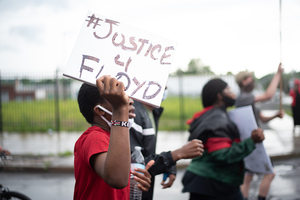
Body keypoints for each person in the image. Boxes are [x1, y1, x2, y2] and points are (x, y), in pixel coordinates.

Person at [181, 78, 265, 200]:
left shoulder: (208, 115)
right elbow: (222, 155)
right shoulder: (217, 119)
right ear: (220, 96)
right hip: (214, 183)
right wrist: (251, 141)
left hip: (205, 182)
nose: (233, 94)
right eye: (229, 90)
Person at [74, 76, 154, 200]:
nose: (130, 101)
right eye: (119, 98)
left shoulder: (115, 138)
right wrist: (120, 109)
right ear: (100, 111)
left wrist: (138, 180)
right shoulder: (95, 138)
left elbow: (122, 180)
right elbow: (117, 178)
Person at [130, 88, 204, 200]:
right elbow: (133, 164)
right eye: (161, 86)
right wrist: (175, 155)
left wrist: (169, 165)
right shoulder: (134, 114)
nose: (164, 90)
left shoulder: (151, 112)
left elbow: (147, 154)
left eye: (166, 87)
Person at [235, 63, 284, 200]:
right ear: (243, 81)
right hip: (252, 141)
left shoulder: (248, 98)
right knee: (270, 172)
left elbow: (262, 118)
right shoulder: (244, 97)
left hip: (251, 141)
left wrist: (275, 115)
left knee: (248, 175)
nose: (252, 80)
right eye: (249, 78)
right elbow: (268, 95)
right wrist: (278, 74)